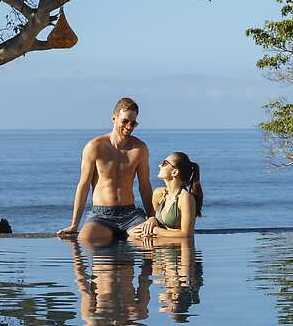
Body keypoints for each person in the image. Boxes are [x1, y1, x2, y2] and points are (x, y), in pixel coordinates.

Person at [57, 97, 155, 247]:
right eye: (125, 121)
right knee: (85, 240)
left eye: (133, 123)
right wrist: (74, 224)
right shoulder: (95, 146)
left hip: (129, 215)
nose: (129, 126)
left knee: (152, 237)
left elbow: (145, 186)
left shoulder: (139, 149)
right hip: (101, 215)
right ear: (114, 118)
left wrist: (151, 217)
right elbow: (83, 186)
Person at [130, 152, 203, 240]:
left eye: (164, 163)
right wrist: (152, 219)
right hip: (159, 248)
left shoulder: (185, 198)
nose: (160, 165)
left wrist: (155, 231)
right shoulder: (158, 193)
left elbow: (186, 234)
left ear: (175, 172)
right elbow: (153, 217)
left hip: (178, 250)